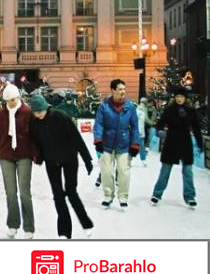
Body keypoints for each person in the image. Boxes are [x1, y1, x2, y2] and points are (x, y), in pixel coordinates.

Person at [28, 95, 94, 239]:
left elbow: (76, 137)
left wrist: (87, 159)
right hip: (51, 162)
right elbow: (36, 142)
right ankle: (64, 231)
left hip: (69, 159)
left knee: (71, 192)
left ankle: (86, 223)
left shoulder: (60, 117)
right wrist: (38, 157)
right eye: (35, 112)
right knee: (58, 196)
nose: (38, 114)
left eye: (40, 111)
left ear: (46, 107)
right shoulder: (34, 123)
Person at [0, 84, 39, 239]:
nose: (11, 103)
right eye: (8, 100)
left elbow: (36, 137)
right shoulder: (0, 115)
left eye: (13, 99)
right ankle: (13, 225)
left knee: (24, 193)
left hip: (24, 156)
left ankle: (29, 227)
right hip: (5, 156)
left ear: (19, 97)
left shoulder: (28, 113)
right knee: (10, 193)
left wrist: (37, 155)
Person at [151, 87, 202, 208]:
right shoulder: (169, 110)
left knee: (188, 172)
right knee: (165, 171)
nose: (180, 99)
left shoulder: (190, 111)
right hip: (171, 143)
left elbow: (196, 128)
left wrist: (199, 143)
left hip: (185, 143)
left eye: (182, 97)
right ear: (175, 98)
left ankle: (190, 197)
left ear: (185, 98)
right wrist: (160, 131)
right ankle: (157, 194)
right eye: (178, 97)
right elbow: (160, 123)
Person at [93, 79, 140, 209]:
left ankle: (123, 196)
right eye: (120, 89)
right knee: (106, 172)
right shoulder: (104, 106)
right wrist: (98, 140)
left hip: (124, 144)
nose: (123, 92)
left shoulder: (130, 106)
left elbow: (135, 127)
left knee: (124, 171)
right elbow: (99, 124)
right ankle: (108, 195)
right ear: (113, 90)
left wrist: (135, 144)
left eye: (124, 89)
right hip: (107, 143)